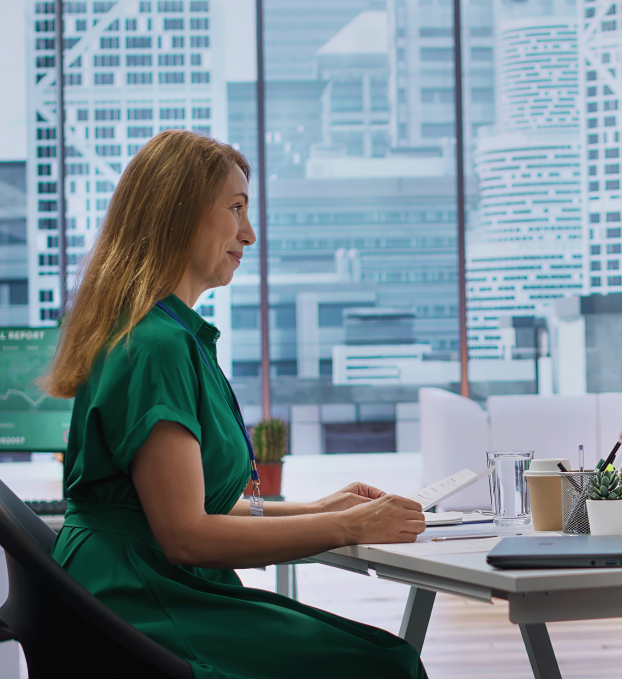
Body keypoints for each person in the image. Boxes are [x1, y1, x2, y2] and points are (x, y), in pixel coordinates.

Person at [44, 130, 428, 679]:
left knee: (379, 656)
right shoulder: (156, 346)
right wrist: (349, 528)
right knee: (386, 664)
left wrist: (323, 510)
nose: (249, 233)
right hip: (139, 597)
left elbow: (200, 510)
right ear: (178, 213)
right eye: (236, 208)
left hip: (141, 581)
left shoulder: (163, 334)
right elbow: (187, 534)